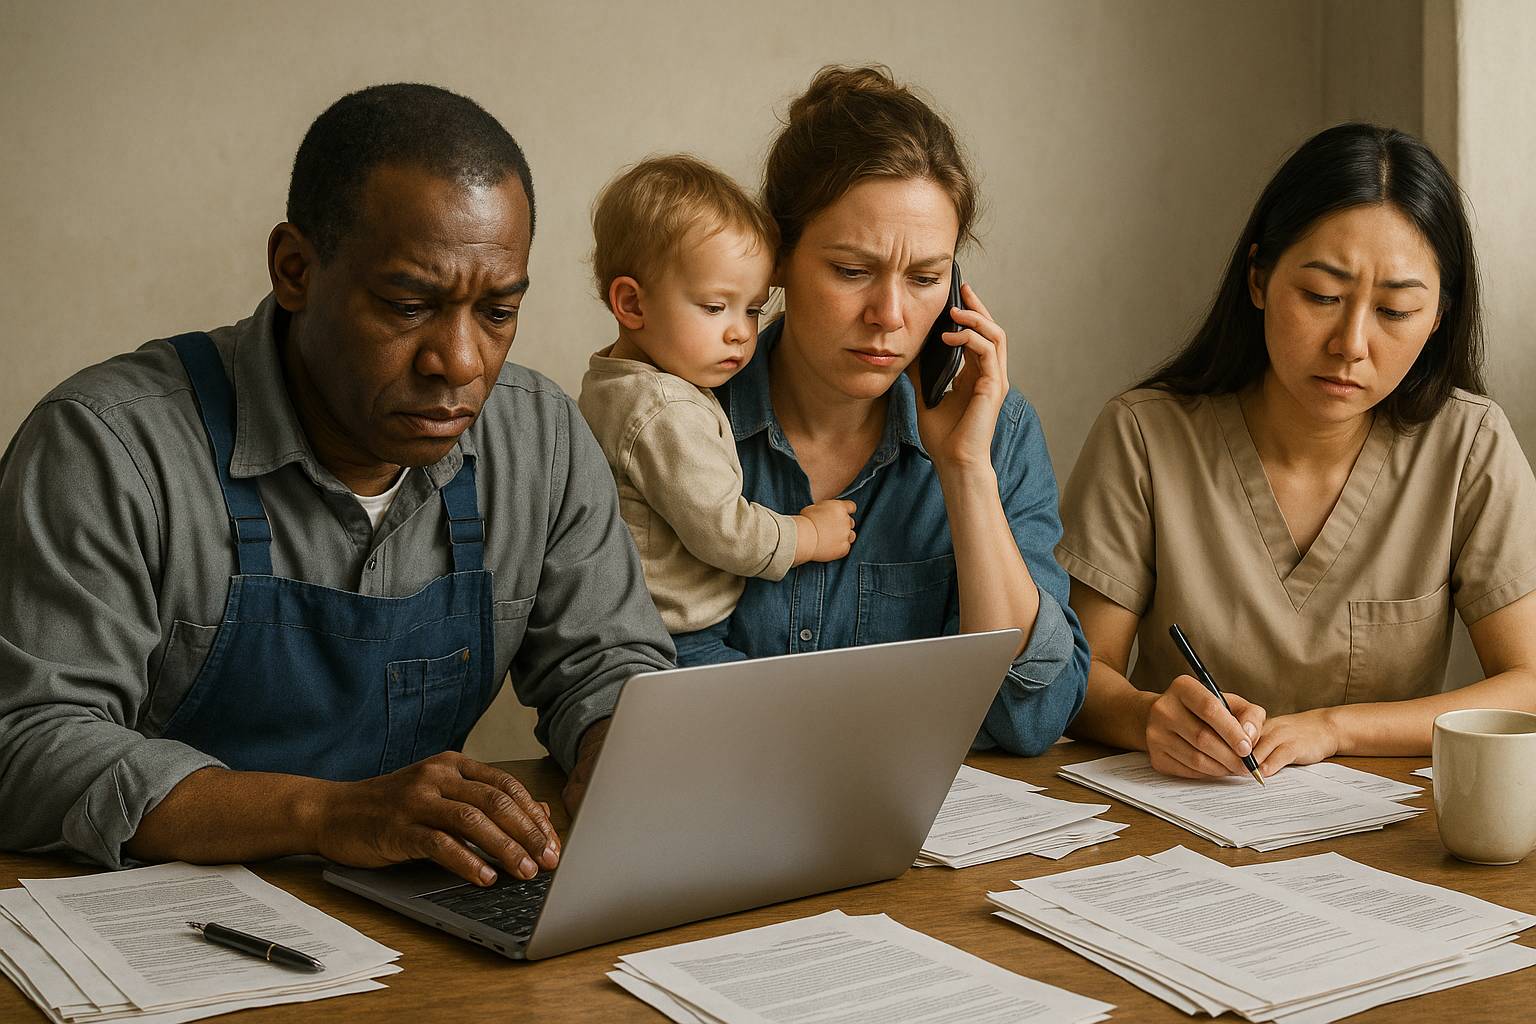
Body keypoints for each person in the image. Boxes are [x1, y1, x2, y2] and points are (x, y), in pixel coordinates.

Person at [0, 84, 674, 884]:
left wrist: (621, 758)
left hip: (417, 914)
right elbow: (30, 743)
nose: (459, 363)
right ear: (296, 270)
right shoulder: (108, 445)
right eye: (408, 303)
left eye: (497, 313)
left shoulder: (542, 437)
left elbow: (609, 667)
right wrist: (328, 815)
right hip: (157, 930)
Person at [1060, 123, 1536, 778]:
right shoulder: (1145, 436)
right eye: (1321, 297)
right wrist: (1149, 719)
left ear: (1437, 319)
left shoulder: (1469, 445)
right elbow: (1078, 677)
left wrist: (1333, 730)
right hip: (1182, 820)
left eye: (1395, 311)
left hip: (1385, 842)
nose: (1351, 344)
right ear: (1258, 280)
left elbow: (1528, 684)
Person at [686, 65, 1089, 755]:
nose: (891, 316)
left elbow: (1032, 719)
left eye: (927, 278)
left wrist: (964, 471)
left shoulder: (999, 433)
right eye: (852, 271)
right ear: (778, 257)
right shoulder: (683, 423)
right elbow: (659, 678)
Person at [577, 156, 857, 660]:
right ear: (633, 305)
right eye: (714, 307)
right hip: (673, 637)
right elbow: (725, 531)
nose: (741, 332)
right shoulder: (665, 411)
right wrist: (808, 534)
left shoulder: (614, 382)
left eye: (753, 309)